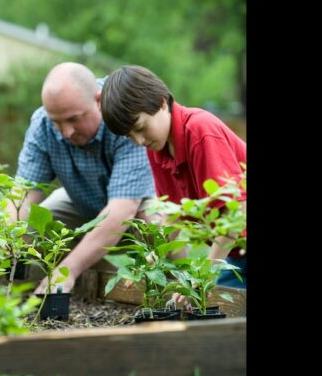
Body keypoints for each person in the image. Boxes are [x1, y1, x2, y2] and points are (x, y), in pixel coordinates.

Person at [7, 62, 156, 295]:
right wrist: (8, 236)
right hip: (82, 201)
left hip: (138, 202)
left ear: (98, 100)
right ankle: (95, 283)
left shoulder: (123, 112)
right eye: (58, 122)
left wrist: (68, 269)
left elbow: (121, 211)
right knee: (37, 224)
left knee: (157, 223)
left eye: (74, 119)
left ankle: (175, 290)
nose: (66, 132)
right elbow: (22, 195)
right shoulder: (43, 124)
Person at [100, 64, 247, 292]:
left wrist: (203, 277)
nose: (138, 141)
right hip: (237, 253)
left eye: (140, 128)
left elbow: (235, 212)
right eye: (130, 136)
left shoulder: (200, 131)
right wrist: (149, 261)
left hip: (235, 242)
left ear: (161, 102)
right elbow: (174, 214)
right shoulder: (156, 149)